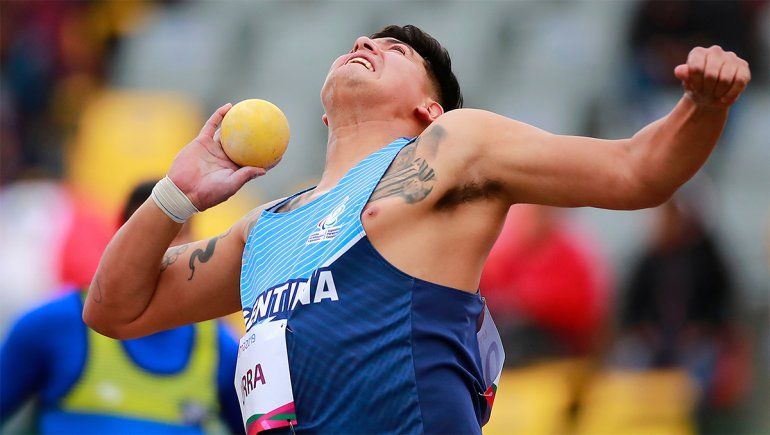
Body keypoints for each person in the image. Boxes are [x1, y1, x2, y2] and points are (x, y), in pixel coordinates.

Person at [82, 24, 751, 434]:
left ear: (427, 107)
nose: (364, 43)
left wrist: (704, 104)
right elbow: (114, 307)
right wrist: (178, 191)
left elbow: (639, 172)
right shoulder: (267, 227)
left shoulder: (452, 147)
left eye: (393, 48)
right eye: (362, 40)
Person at [0, 181, 243, 434]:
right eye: (152, 237)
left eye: (180, 233)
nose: (168, 248)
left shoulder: (219, 346)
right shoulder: (51, 325)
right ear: (120, 239)